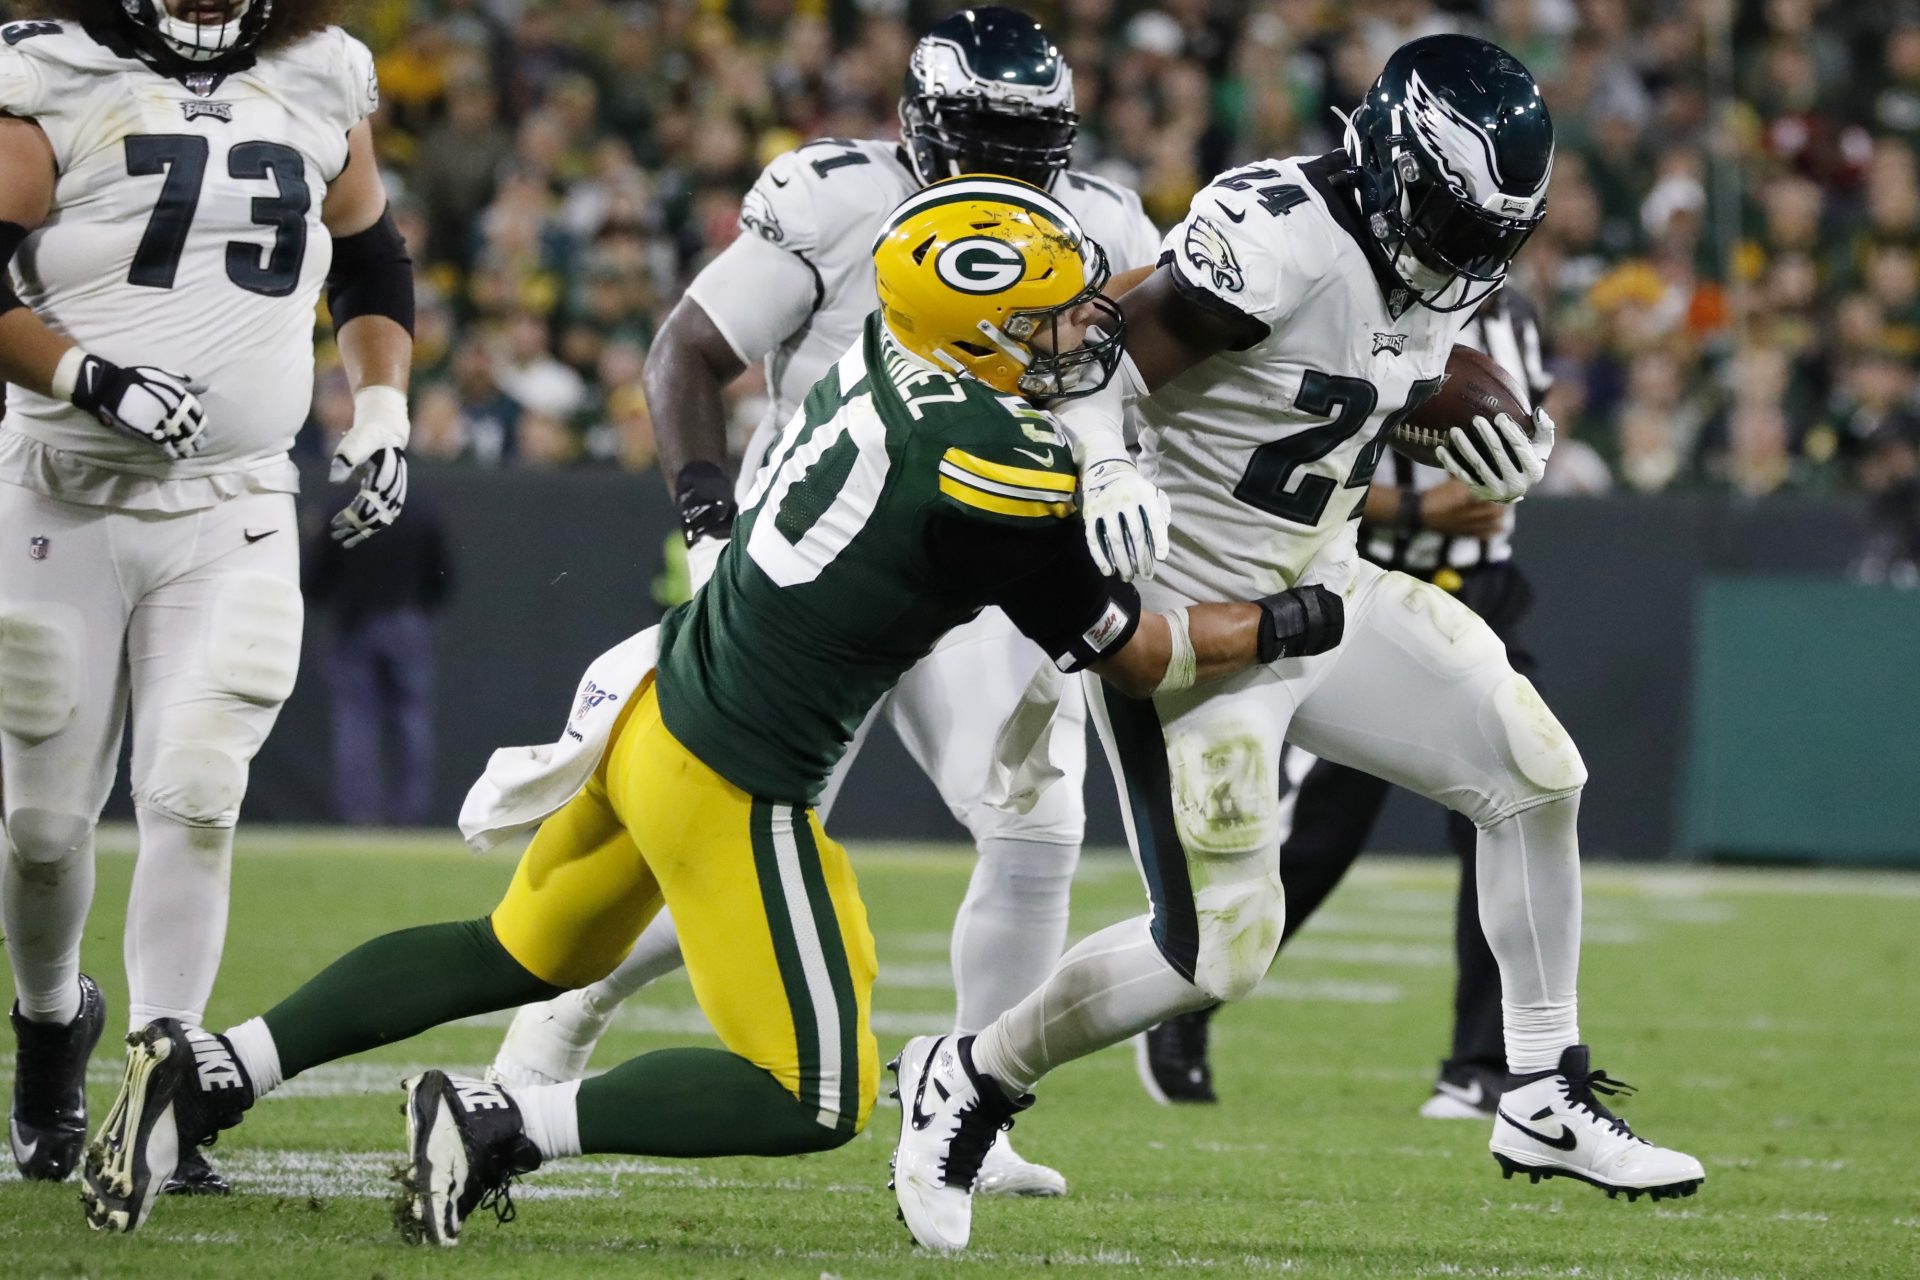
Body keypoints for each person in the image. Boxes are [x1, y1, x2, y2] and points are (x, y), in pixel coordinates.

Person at [77, 179, 1343, 1243]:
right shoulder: (992, 472)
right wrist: (1294, 618)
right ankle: (499, 1121)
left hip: (670, 698)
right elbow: (1141, 654)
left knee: (517, 951)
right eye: (1046, 315)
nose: (1082, 329)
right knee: (820, 1090)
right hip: (737, 769)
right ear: (975, 336)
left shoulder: (888, 357)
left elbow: (1014, 401)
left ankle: (210, 1063)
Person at [890, 36, 1704, 1253]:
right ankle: (971, 1071)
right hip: (1193, 621)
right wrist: (1107, 458)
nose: (1465, 258)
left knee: (1535, 769)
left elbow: (1377, 374)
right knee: (1218, 950)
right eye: (1451, 222)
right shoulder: (1272, 231)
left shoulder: (1437, 251)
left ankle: (1538, 1087)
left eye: (1490, 237)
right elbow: (1083, 345)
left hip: (1322, 587)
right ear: (1391, 164)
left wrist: (1488, 424)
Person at [485, 5, 1167, 1199]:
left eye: (1030, 143)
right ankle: (547, 1039)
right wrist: (707, 527)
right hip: (826, 561)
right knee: (716, 839)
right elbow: (686, 351)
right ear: (925, 129)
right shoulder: (840, 196)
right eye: (987, 140)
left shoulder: (1104, 221)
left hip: (996, 561)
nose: (1010, 170)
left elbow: (1137, 376)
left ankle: (971, 1103)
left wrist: (1117, 464)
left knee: (1038, 822)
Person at [0, 0, 413, 1194]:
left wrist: (379, 411)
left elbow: (371, 254)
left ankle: (157, 1085)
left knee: (197, 788)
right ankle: (47, 1021)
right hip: (59, 492)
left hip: (232, 500)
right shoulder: (52, 69)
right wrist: (90, 378)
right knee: (40, 831)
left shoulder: (323, 74)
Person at [1136, 288, 1553, 1117]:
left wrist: (1519, 463)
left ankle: (1485, 1064)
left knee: (1513, 805)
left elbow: (1521, 438)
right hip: (1364, 586)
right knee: (1317, 838)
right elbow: (1285, 461)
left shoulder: (1517, 314)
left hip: (1483, 588)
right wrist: (1414, 504)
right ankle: (1187, 988)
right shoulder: (1352, 298)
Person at [305, 491, 455, 825]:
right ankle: (409, 814)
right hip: (407, 622)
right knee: (410, 719)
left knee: (357, 721)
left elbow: (316, 578)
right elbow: (442, 575)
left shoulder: (343, 506)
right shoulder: (418, 506)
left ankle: (361, 816)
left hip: (353, 623)